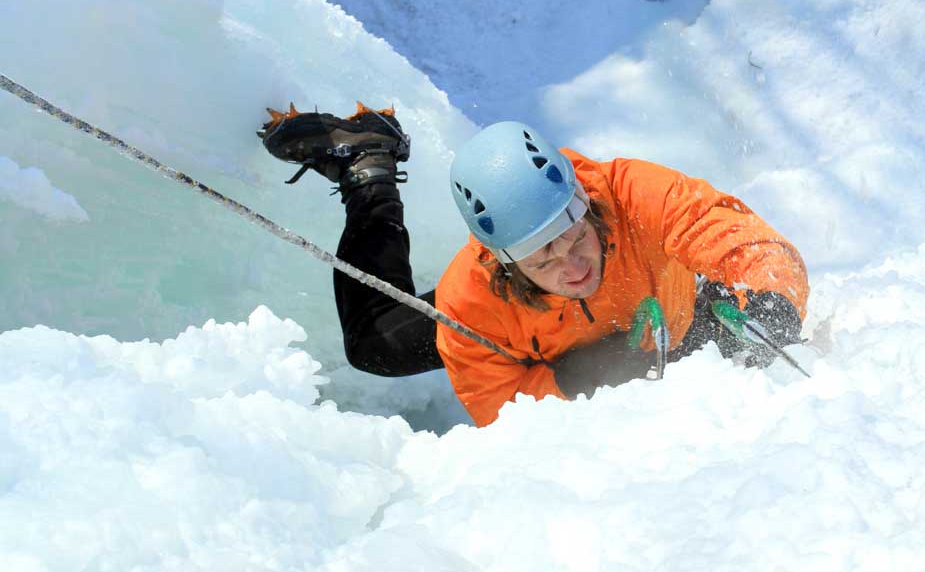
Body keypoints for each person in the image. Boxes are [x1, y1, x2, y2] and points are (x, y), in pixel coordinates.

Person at [259, 109, 809, 427]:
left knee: (733, 317)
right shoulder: (470, 301)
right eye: (543, 257)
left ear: (586, 205)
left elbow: (747, 242)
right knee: (375, 346)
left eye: (575, 237)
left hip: (674, 323)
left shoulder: (634, 195)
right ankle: (368, 171)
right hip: (539, 338)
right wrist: (573, 381)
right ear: (504, 262)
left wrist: (773, 303)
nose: (572, 266)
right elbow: (499, 411)